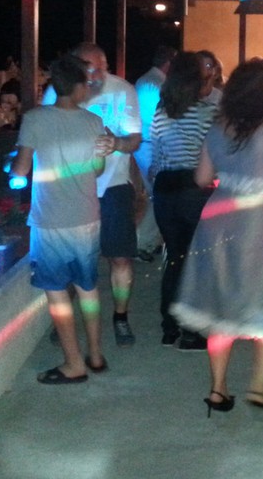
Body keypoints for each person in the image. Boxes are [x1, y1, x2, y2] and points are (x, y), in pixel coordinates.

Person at [171, 59, 263, 417]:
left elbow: (201, 178)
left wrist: (232, 176)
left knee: (221, 303)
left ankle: (218, 390)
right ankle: (260, 387)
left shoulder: (217, 127)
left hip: (218, 221)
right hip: (258, 227)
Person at [10, 54, 107, 384]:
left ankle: (73, 363)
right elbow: (97, 169)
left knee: (56, 292)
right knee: (88, 287)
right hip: (87, 216)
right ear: (78, 86)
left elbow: (21, 168)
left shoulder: (35, 119)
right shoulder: (93, 122)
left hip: (50, 219)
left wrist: (13, 169)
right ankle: (95, 354)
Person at [42, 42, 142, 346]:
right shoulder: (57, 92)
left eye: (103, 67)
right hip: (71, 189)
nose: (98, 75)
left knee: (120, 258)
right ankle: (67, 319)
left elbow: (135, 139)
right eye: (91, 69)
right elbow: (43, 133)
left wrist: (117, 144)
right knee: (72, 260)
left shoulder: (123, 90)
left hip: (114, 187)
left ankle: (121, 317)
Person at [151, 52, 218, 351]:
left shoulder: (161, 112)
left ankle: (169, 327)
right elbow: (213, 156)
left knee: (175, 257)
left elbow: (156, 157)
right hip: (194, 189)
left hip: (165, 189)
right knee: (197, 261)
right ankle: (192, 332)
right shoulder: (207, 112)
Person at [133, 45, 177, 263]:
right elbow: (161, 120)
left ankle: (150, 241)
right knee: (160, 196)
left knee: (158, 195)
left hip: (146, 143)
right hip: (151, 144)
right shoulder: (156, 84)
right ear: (168, 63)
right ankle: (142, 242)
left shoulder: (145, 80)